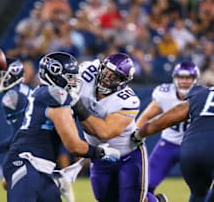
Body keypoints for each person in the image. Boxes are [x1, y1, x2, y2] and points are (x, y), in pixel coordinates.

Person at [2, 52, 121, 202]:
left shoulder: (44, 93)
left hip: (40, 168)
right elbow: (74, 146)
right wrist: (100, 152)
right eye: (70, 76)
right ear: (55, 74)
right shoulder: (55, 95)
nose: (75, 81)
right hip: (28, 163)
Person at [71, 53, 167, 202]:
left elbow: (104, 132)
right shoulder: (86, 72)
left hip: (128, 156)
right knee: (104, 198)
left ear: (123, 81)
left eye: (115, 76)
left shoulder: (128, 100)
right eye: (107, 71)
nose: (108, 77)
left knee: (132, 199)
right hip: (101, 156)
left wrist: (77, 105)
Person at [0, 57, 77, 202]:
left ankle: (56, 178)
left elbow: (20, 137)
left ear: (11, 74)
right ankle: (56, 178)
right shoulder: (26, 90)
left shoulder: (12, 97)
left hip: (35, 151)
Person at [133, 84, 214, 202]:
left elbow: (163, 121)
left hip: (189, 151)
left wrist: (138, 135)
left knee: (198, 193)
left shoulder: (200, 94)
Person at [136, 61, 200, 198]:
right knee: (145, 185)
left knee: (200, 187)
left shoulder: (202, 95)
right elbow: (147, 115)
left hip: (193, 147)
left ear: (195, 79)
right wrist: (135, 133)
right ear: (174, 78)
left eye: (188, 78)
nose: (184, 81)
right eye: (181, 77)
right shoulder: (165, 93)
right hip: (168, 144)